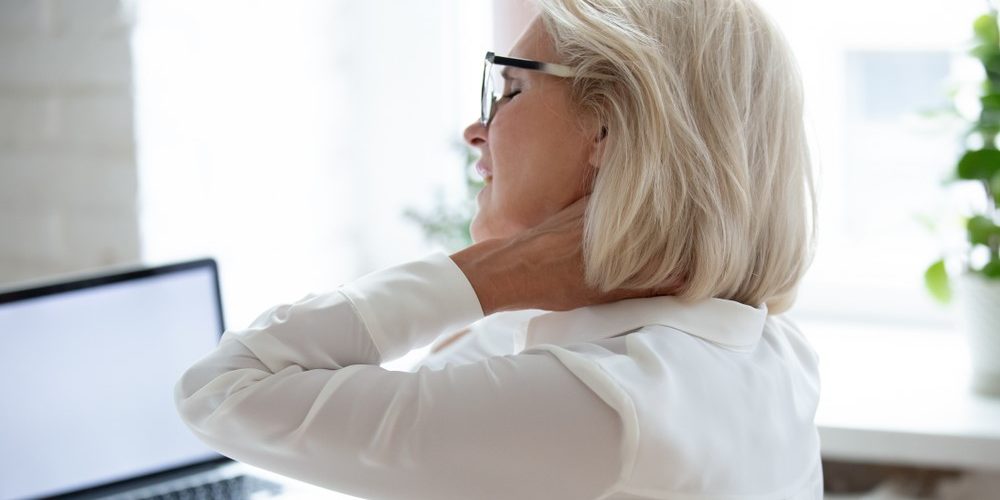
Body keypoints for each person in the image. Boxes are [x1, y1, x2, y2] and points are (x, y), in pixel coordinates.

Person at [175, 0, 821, 498]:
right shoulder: (771, 351)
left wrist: (492, 272)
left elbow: (223, 389)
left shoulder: (599, 406)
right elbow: (455, 375)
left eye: (509, 90)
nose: (476, 129)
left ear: (609, 127)